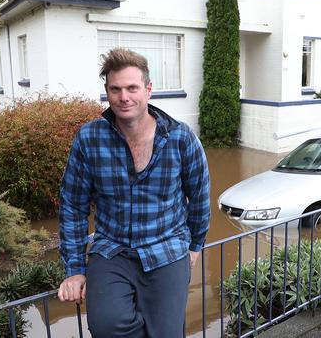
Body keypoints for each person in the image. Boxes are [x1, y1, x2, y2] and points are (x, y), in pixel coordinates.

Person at [57, 48, 211, 338]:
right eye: (115, 89)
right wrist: (75, 269)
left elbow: (200, 195)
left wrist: (195, 246)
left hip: (166, 247)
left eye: (132, 88)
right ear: (107, 92)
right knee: (107, 326)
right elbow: (72, 207)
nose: (124, 97)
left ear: (148, 90)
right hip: (111, 248)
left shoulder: (180, 138)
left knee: (166, 333)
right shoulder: (89, 139)